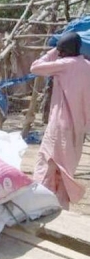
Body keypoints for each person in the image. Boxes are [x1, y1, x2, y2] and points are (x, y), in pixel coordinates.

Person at [30, 32, 90, 209]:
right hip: (78, 128)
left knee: (47, 165)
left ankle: (40, 204)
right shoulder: (87, 65)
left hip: (59, 126)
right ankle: (61, 206)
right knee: (66, 169)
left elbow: (35, 67)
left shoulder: (64, 64)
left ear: (63, 50)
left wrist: (53, 52)